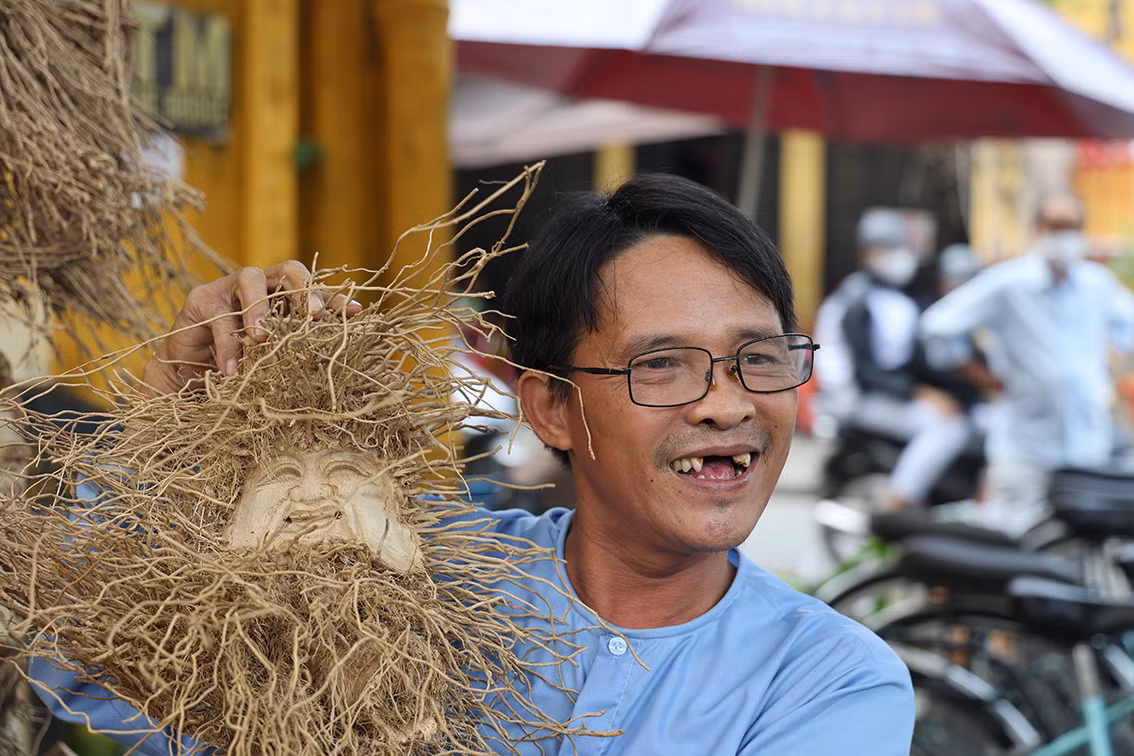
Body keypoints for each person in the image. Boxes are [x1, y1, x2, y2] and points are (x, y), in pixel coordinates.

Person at [31, 174, 914, 754]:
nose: (727, 403)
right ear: (551, 406)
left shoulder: (831, 682)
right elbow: (91, 673)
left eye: (758, 357)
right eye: (663, 364)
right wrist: (172, 423)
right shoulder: (413, 575)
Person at [921, 192, 1134, 534]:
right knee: (1015, 547)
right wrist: (984, 378)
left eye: (1073, 227)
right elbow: (938, 328)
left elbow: (1128, 329)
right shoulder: (1010, 283)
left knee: (1076, 552)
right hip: (1025, 447)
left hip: (1085, 447)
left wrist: (1108, 372)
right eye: (1057, 226)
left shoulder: (1096, 284)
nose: (1065, 237)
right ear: (1038, 228)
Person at [815, 209, 971, 510]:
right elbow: (865, 371)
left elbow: (916, 361)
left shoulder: (899, 301)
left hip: (892, 394)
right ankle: (900, 500)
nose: (900, 257)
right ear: (866, 252)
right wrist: (919, 393)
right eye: (889, 249)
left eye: (903, 248)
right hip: (860, 399)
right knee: (947, 429)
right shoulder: (856, 299)